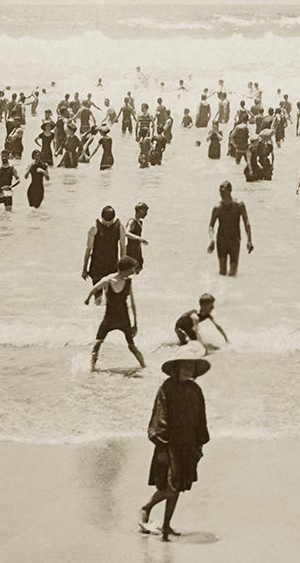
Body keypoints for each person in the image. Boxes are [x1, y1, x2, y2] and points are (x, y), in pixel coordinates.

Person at [138, 343, 212, 541]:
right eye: (185, 366)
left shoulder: (195, 389)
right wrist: (161, 446)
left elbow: (201, 419)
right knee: (171, 485)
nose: (188, 370)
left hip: (189, 443)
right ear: (176, 367)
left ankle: (166, 525)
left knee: (178, 486)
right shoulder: (166, 388)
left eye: (191, 367)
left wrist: (199, 445)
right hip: (169, 443)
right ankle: (146, 508)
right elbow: (159, 416)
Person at [85, 256, 145, 371]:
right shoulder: (108, 280)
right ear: (126, 269)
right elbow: (95, 288)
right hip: (109, 318)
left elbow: (132, 303)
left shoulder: (128, 282)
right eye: (132, 269)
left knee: (132, 346)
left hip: (124, 318)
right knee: (97, 343)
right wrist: (87, 299)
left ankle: (144, 366)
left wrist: (135, 323)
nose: (133, 272)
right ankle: (92, 368)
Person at [207, 181, 253, 277]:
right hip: (221, 241)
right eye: (220, 192)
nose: (222, 194)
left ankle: (233, 286)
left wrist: (249, 240)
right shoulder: (217, 208)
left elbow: (246, 222)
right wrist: (212, 240)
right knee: (222, 272)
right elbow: (211, 226)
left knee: (233, 273)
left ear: (230, 191)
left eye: (224, 192)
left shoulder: (239, 205)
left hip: (234, 241)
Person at [83, 205, 125, 302]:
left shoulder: (119, 226)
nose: (108, 224)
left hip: (112, 266)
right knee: (98, 299)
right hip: (97, 267)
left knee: (112, 298)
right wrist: (84, 269)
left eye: (110, 222)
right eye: (106, 222)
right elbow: (88, 249)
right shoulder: (94, 228)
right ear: (102, 217)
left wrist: (123, 268)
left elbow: (123, 247)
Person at [124, 202, 148, 273]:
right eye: (145, 211)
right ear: (140, 211)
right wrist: (139, 238)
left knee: (138, 268)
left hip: (137, 250)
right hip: (131, 250)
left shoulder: (140, 222)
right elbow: (126, 233)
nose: (146, 214)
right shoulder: (132, 221)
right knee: (130, 270)